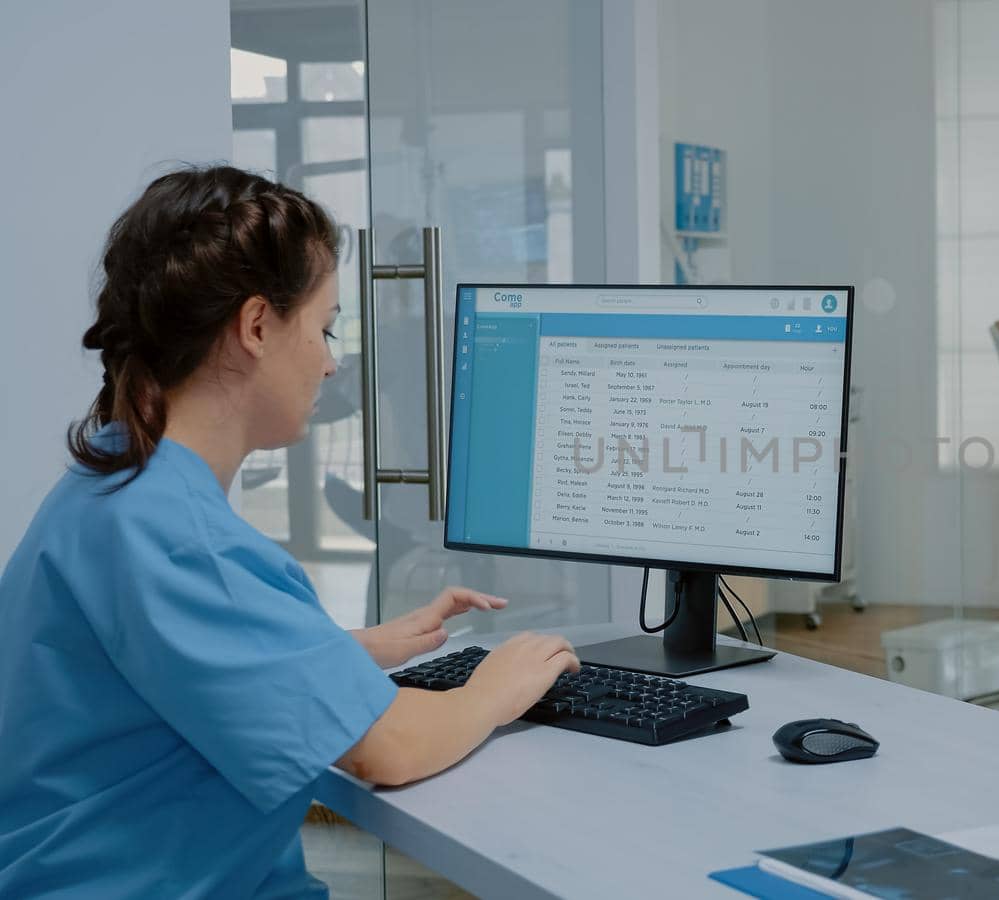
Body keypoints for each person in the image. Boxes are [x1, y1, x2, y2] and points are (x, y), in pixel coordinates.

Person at [0, 166, 581, 897]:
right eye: (324, 326)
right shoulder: (183, 540)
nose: (332, 361)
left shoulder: (110, 483)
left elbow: (154, 676)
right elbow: (387, 752)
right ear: (255, 327)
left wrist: (332, 657)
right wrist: (498, 687)